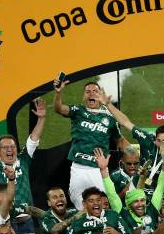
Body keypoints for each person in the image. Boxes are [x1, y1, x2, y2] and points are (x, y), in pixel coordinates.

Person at [0, 99, 46, 234]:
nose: (10, 149)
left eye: (12, 146)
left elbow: (33, 138)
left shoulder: (24, 160)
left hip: (24, 219)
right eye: (6, 147)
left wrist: (41, 119)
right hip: (0, 219)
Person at [53, 78, 130, 209]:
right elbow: (59, 109)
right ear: (84, 96)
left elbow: (120, 140)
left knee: (101, 206)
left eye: (95, 91)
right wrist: (58, 93)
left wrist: (136, 152)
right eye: (88, 91)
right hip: (78, 167)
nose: (91, 93)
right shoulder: (78, 110)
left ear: (100, 95)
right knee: (79, 204)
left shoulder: (110, 118)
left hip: (98, 170)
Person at [101, 99, 164, 193]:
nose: (162, 145)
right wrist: (108, 104)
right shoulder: (147, 140)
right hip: (138, 186)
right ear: (155, 140)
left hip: (159, 193)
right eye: (159, 141)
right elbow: (126, 123)